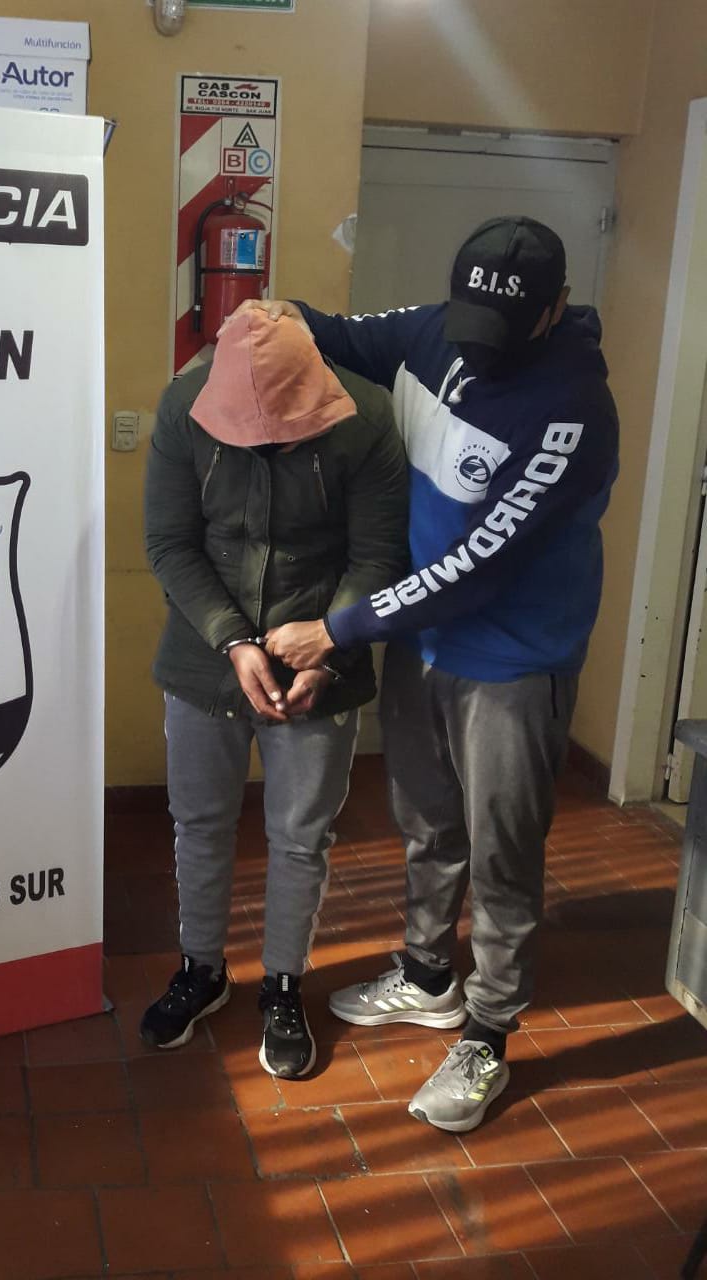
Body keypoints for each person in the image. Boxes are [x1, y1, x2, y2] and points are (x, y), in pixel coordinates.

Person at [234, 215, 619, 1128]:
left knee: (502, 852)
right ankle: (428, 973)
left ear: (555, 308)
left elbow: (477, 567)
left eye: (502, 332)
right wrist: (274, 315)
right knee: (426, 821)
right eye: (467, 324)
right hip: (423, 644)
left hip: (512, 664)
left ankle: (487, 1033)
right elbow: (341, 334)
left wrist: (337, 631)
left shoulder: (572, 410)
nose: (475, 350)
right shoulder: (437, 328)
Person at [140, 309, 409, 1078]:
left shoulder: (366, 415)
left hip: (322, 654)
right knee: (199, 822)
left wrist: (332, 643)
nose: (265, 448)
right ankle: (201, 969)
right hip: (205, 655)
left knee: (301, 837)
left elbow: (379, 553)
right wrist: (232, 639)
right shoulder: (182, 408)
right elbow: (170, 543)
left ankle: (283, 986)